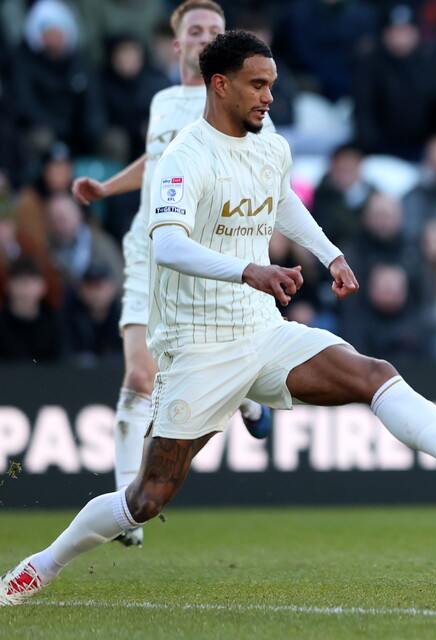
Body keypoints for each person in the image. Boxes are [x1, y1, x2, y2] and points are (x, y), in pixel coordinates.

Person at [0, 30, 436, 607]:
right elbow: (168, 246)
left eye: (272, 85)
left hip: (261, 330)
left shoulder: (270, 145)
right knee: (146, 498)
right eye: (258, 85)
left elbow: (281, 201)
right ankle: (39, 567)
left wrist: (330, 253)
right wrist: (248, 270)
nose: (269, 97)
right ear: (220, 85)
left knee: (371, 372)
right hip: (199, 346)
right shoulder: (185, 156)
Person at [69, 1, 271, 549]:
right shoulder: (162, 102)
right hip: (149, 249)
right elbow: (155, 161)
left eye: (214, 30)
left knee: (201, 359)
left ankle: (246, 393)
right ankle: (124, 508)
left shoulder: (240, 102)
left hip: (209, 252)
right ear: (177, 44)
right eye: (194, 31)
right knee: (139, 376)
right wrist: (108, 187)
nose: (205, 37)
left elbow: (262, 174)